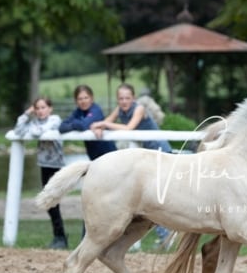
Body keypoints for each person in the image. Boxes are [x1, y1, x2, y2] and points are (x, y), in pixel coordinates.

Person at [91, 83, 173, 244]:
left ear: (133, 98)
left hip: (161, 153)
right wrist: (101, 127)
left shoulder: (139, 108)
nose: (123, 101)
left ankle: (167, 234)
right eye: (120, 98)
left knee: (159, 197)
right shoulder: (120, 109)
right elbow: (107, 122)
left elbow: (128, 128)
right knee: (149, 198)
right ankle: (164, 235)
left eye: (127, 98)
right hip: (147, 157)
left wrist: (105, 125)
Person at [13, 97, 68, 249]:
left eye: (43, 107)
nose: (40, 111)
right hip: (44, 165)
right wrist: (27, 113)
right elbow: (18, 130)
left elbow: (39, 132)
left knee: (53, 202)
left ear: (50, 108)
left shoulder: (55, 120)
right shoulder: (35, 121)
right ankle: (59, 236)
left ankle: (61, 237)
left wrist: (32, 129)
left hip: (56, 166)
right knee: (49, 202)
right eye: (37, 108)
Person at [59, 84, 117, 160]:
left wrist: (75, 123)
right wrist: (75, 125)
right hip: (93, 155)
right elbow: (61, 127)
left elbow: (83, 125)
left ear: (92, 98)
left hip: (108, 153)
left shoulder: (96, 110)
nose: (83, 101)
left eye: (86, 98)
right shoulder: (77, 112)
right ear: (76, 101)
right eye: (80, 99)